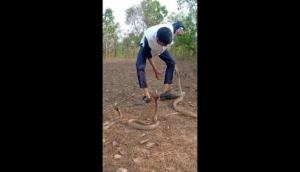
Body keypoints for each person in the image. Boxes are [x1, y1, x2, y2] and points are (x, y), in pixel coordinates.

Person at [136, 21, 185, 103]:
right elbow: (149, 56)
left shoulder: (170, 29)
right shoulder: (149, 40)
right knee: (139, 66)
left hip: (160, 50)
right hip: (148, 46)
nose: (163, 46)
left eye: (165, 44)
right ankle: (147, 95)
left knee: (171, 63)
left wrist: (181, 29)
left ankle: (164, 92)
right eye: (162, 43)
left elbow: (180, 23)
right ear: (157, 39)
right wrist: (155, 70)